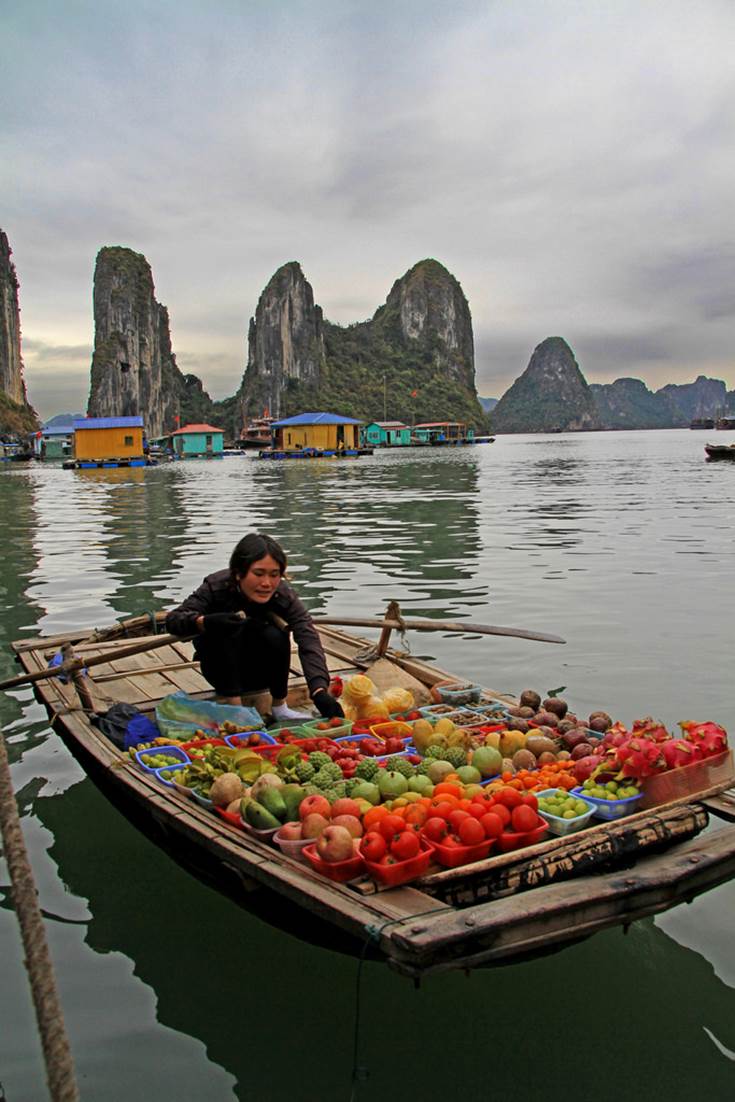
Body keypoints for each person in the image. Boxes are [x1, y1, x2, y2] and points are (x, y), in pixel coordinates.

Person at [165, 533, 344, 724]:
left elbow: (307, 635)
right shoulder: (215, 587)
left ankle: (280, 707)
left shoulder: (281, 594)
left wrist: (318, 690)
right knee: (225, 631)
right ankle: (236, 711)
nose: (266, 583)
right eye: (258, 574)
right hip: (220, 672)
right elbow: (174, 620)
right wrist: (203, 622)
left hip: (260, 674)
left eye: (274, 575)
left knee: (277, 635)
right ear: (238, 573)